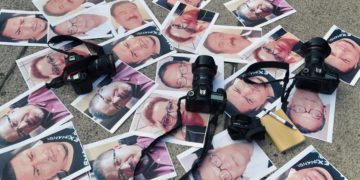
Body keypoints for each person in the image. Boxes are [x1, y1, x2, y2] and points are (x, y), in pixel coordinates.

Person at [1, 128, 88, 180]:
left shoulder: (51, 128)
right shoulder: (84, 174)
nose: (44, 157)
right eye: (37, 171)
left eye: (31, 155)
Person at [88, 63, 154, 128]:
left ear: (101, 89)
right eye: (117, 106)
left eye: (108, 99)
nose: (118, 99)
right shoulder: (149, 92)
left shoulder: (117, 66)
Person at [0, 87, 70, 146]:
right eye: (21, 132)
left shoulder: (33, 89)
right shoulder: (60, 126)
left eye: (14, 123)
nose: (25, 124)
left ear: (12, 111)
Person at [92, 136, 175, 179]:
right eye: (122, 176)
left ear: (118, 147)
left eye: (117, 161)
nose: (127, 167)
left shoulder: (146, 130)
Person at [141, 96, 206, 142]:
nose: (175, 113)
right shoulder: (191, 137)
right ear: (166, 129)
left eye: (170, 107)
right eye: (166, 120)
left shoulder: (200, 100)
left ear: (174, 101)